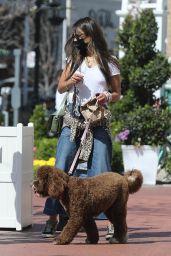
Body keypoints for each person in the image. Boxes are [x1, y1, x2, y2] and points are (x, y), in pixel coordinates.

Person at [41, 16, 121, 240]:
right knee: (60, 166)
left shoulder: (109, 61)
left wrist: (107, 96)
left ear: (91, 35)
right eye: (75, 36)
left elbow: (117, 93)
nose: (76, 40)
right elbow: (60, 88)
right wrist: (71, 82)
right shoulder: (74, 60)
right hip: (73, 120)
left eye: (80, 36)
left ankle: (110, 224)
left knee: (102, 172)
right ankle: (53, 217)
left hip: (98, 122)